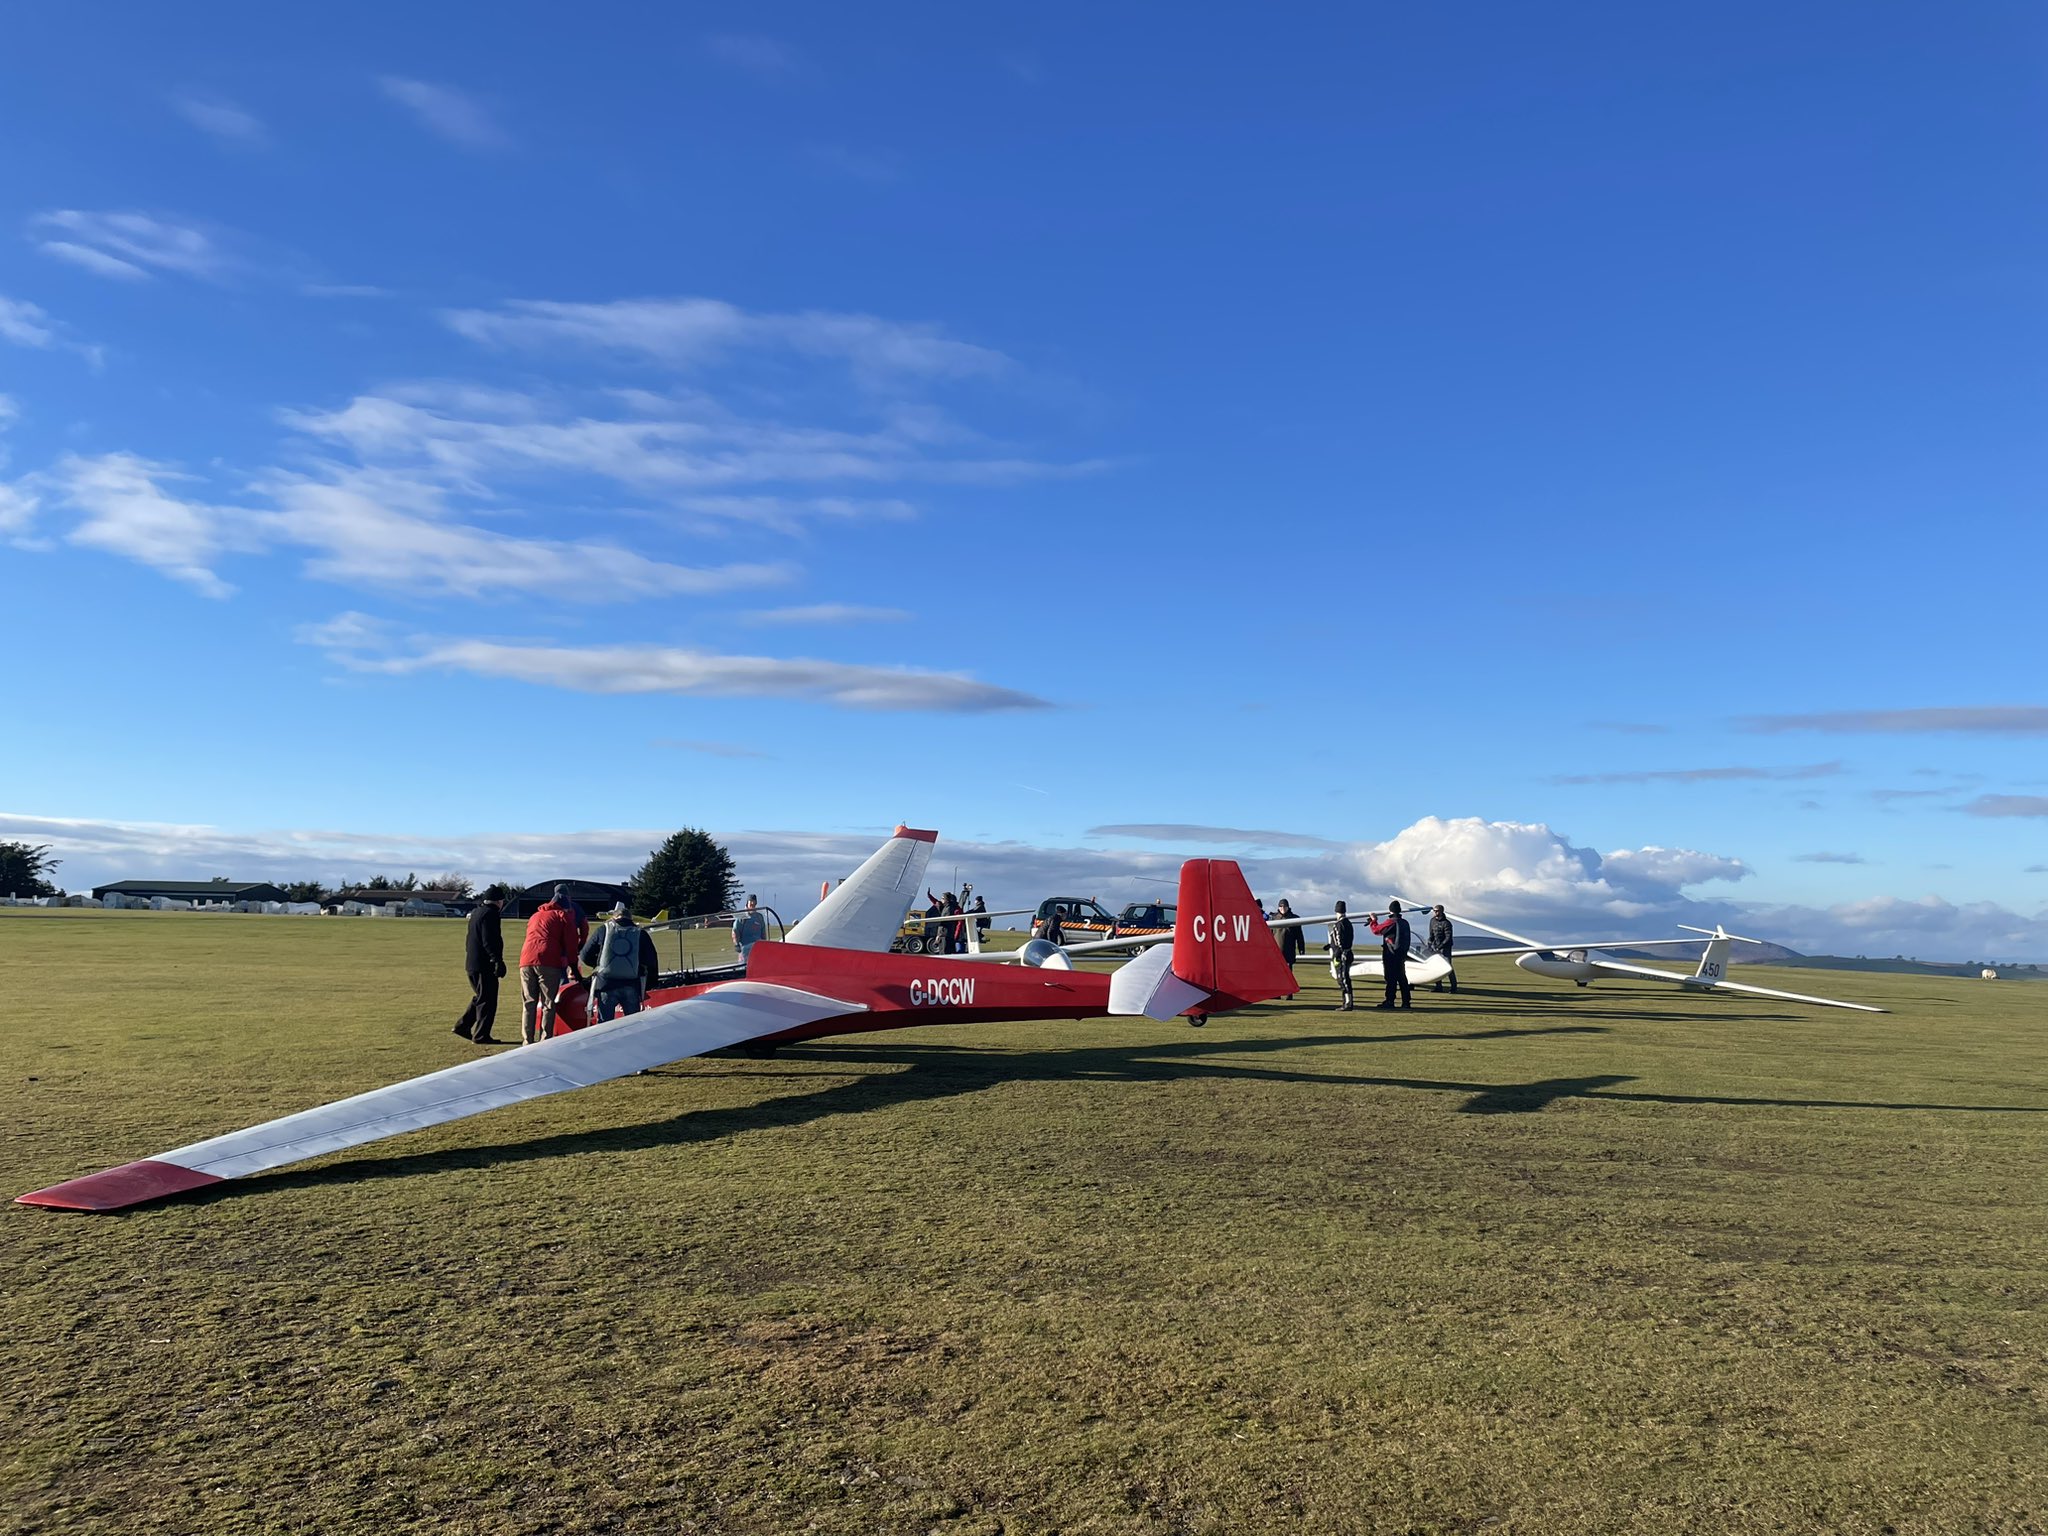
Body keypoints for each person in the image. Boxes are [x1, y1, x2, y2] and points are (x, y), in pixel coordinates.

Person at [519, 889, 582, 1044]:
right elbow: (571, 944)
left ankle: (527, 1040)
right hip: (548, 961)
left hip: (526, 960)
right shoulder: (562, 916)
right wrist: (573, 967)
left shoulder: (535, 916)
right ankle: (546, 1039)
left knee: (529, 1002)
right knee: (548, 1002)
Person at [582, 901, 660, 1023]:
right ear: (630, 918)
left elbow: (584, 955)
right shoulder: (640, 933)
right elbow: (651, 960)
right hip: (631, 984)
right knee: (632, 1024)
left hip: (606, 984)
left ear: (614, 918)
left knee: (604, 1025)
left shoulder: (603, 929)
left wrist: (599, 965)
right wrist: (650, 984)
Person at [453, 896, 506, 1045]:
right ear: (498, 901)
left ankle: (463, 1026)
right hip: (484, 964)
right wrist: (497, 960)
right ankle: (481, 1035)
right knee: (488, 1000)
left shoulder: (477, 912)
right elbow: (490, 939)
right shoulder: (491, 914)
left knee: (482, 996)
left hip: (472, 962)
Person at [1368, 900, 1413, 1009]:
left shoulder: (1391, 922)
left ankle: (1390, 1001)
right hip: (1402, 954)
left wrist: (1373, 921)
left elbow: (1376, 930)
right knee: (1402, 978)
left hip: (1391, 954)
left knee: (1391, 978)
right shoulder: (1405, 923)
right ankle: (1406, 1002)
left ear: (1390, 910)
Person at [1327, 901, 1354, 1010]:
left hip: (1342, 955)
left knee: (1342, 978)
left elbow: (1339, 941)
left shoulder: (1339, 924)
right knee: (1345, 978)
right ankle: (1347, 1001)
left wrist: (1337, 955)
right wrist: (1330, 945)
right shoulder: (1348, 923)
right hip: (1347, 953)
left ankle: (1347, 1003)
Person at [1428, 904, 1458, 993]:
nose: (1435, 912)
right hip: (1435, 947)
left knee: (1448, 968)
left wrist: (1440, 946)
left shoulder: (1447, 923)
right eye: (1434, 911)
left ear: (1441, 911)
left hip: (1445, 948)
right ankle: (1438, 986)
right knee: (1436, 967)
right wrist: (1430, 942)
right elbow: (1431, 934)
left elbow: (1448, 937)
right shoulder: (1432, 921)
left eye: (1437, 911)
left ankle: (1454, 987)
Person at [732, 894, 769, 967]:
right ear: (747, 902)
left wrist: (764, 945)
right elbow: (735, 931)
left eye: (754, 902)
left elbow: (763, 933)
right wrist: (736, 945)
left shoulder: (759, 917)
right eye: (751, 902)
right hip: (745, 948)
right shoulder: (742, 916)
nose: (752, 904)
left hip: (758, 947)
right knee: (744, 967)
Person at [1274, 898, 1305, 966]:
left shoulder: (1294, 919)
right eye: (1281, 906)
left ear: (1288, 907)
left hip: (1289, 953)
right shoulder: (1273, 919)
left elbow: (1299, 936)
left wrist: (1301, 948)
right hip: (1276, 953)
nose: (1283, 908)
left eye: (1285, 906)